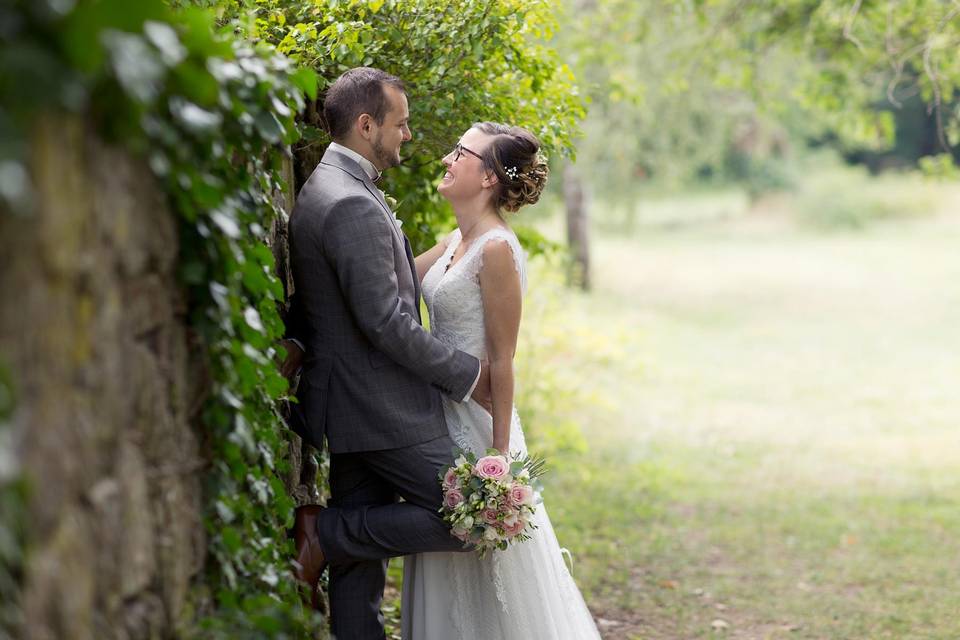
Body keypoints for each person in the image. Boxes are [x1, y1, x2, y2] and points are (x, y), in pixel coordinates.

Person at [283, 67, 491, 639]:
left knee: (359, 573)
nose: (407, 135)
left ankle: (335, 541)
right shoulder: (349, 201)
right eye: (399, 124)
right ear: (366, 124)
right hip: (382, 408)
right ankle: (323, 534)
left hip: (354, 403)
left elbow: (353, 294)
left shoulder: (336, 183)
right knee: (474, 516)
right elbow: (385, 322)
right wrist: (469, 376)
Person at [402, 122, 601, 639]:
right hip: (438, 415)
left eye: (460, 153)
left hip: (477, 423)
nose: (447, 159)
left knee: (487, 555)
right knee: (447, 553)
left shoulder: (495, 249)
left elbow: (504, 358)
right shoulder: (455, 240)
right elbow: (394, 279)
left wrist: (498, 461)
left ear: (489, 177)